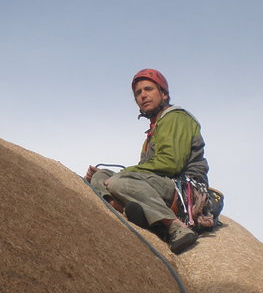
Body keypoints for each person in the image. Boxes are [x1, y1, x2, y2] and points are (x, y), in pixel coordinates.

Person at [85, 69, 209, 254]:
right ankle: (127, 210)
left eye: (148, 89)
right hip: (160, 184)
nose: (143, 95)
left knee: (119, 181)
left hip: (181, 187)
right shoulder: (154, 130)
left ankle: (174, 226)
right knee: (100, 177)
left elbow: (170, 163)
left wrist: (126, 173)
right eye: (138, 93)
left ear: (164, 94)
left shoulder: (175, 117)